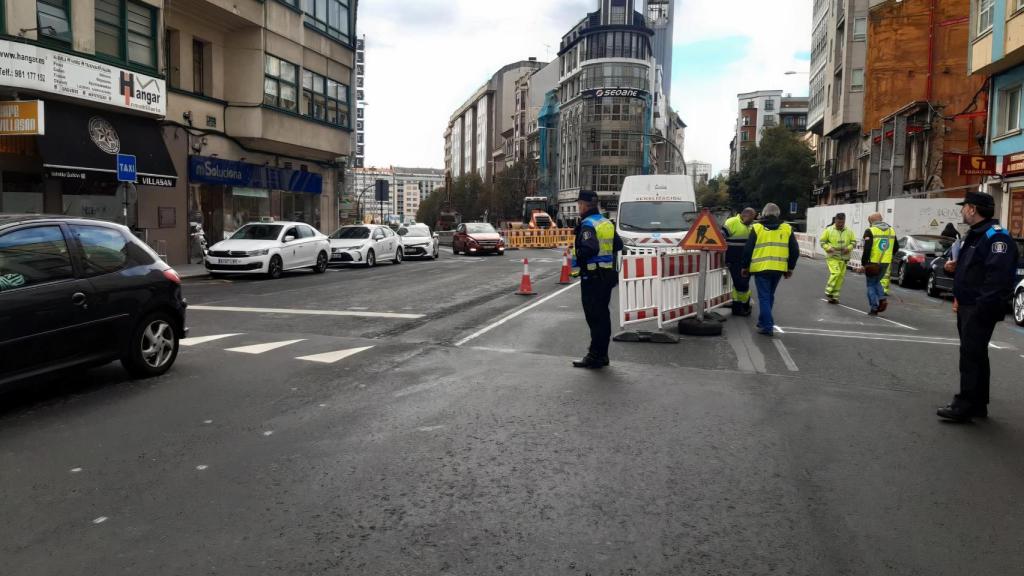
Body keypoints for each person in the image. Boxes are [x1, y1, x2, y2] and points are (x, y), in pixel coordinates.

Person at [937, 192, 1019, 422]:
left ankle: (964, 406)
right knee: (977, 355)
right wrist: (951, 268)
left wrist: (982, 307)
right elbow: (972, 269)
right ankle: (978, 404)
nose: (961, 211)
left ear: (972, 209)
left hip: (979, 306)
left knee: (970, 356)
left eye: (964, 207)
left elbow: (998, 277)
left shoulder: (996, 238)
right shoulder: (973, 236)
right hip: (968, 304)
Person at [571, 190, 623, 369]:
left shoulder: (587, 224)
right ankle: (602, 354)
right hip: (606, 276)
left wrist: (577, 254)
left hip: (593, 277)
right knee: (603, 316)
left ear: (584, 205)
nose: (579, 208)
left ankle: (595, 356)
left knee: (594, 317)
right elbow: (618, 245)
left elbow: (590, 248)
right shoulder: (606, 222)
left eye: (579, 205)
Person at [741, 203, 800, 336]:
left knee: (764, 297)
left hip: (760, 269)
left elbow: (748, 249)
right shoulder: (786, 228)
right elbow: (795, 251)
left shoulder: (757, 228)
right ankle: (763, 321)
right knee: (769, 296)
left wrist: (745, 266)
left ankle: (767, 326)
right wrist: (790, 267)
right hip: (778, 269)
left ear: (764, 213)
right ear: (778, 214)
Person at [861, 212, 898, 315]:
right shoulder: (891, 230)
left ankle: (874, 307)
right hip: (885, 262)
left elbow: (867, 249)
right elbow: (896, 248)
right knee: (876, 281)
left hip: (873, 262)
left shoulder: (870, 231)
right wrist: (888, 255)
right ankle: (882, 299)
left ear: (871, 221)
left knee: (870, 284)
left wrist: (864, 263)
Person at [723, 207, 757, 316]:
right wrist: (725, 258)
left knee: (742, 285)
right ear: (745, 215)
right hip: (734, 260)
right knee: (741, 285)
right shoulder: (731, 222)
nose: (753, 221)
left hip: (747, 261)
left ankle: (738, 307)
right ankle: (743, 305)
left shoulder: (751, 226)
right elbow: (721, 237)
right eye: (752, 218)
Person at [819, 212, 857, 304]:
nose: (840, 224)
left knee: (840, 277)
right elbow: (822, 242)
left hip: (844, 258)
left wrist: (848, 248)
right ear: (835, 220)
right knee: (836, 273)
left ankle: (834, 297)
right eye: (839, 222)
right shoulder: (829, 230)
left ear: (844, 221)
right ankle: (828, 291)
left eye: (842, 223)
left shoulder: (849, 231)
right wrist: (828, 248)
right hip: (832, 257)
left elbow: (853, 242)